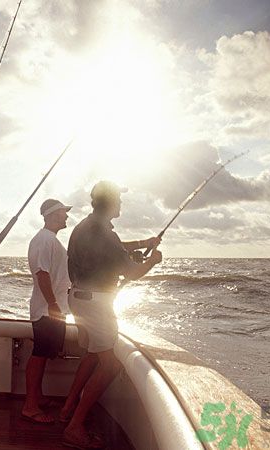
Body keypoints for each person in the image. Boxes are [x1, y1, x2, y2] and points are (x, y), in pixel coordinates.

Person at [60, 180, 162, 449]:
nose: (121, 203)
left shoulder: (88, 226)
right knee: (111, 364)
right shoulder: (104, 233)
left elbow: (115, 249)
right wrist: (152, 260)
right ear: (110, 202)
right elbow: (131, 272)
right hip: (96, 304)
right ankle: (74, 427)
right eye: (118, 199)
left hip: (79, 298)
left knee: (93, 355)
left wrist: (144, 242)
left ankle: (67, 409)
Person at [21, 198, 72, 424]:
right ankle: (30, 406)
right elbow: (42, 273)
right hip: (46, 310)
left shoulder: (49, 239)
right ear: (52, 215)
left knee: (43, 355)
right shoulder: (44, 240)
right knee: (39, 355)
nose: (67, 217)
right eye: (63, 213)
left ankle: (37, 398)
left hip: (51, 308)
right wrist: (52, 304)